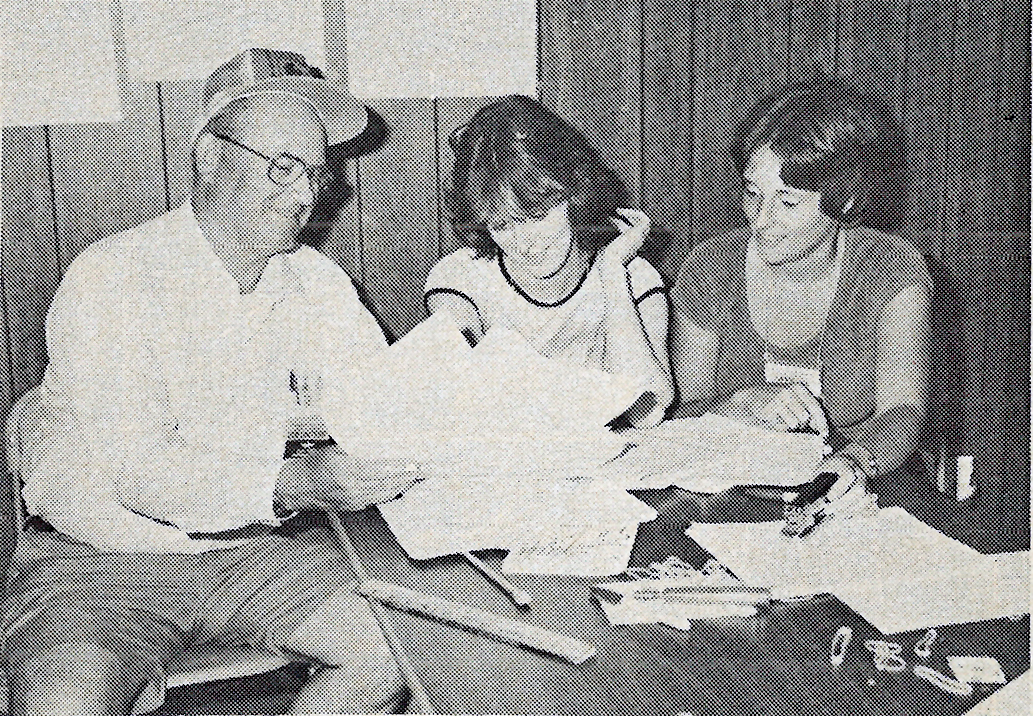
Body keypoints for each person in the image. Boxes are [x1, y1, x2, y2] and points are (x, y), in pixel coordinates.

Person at [1, 49, 418, 715]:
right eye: (283, 167)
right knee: (59, 703)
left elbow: (387, 408)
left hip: (254, 554)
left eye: (316, 173)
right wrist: (297, 483)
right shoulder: (114, 276)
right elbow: (139, 472)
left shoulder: (318, 284)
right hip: (99, 559)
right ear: (209, 157)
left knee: (405, 650)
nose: (306, 194)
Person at [669, 76, 931, 511]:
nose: (762, 219)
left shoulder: (891, 267)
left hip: (860, 483)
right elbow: (679, 411)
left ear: (845, 201)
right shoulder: (710, 265)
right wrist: (734, 405)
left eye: (788, 202)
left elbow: (903, 409)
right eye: (754, 195)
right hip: (726, 491)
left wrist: (852, 463)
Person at [425, 95, 673, 427]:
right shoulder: (462, 278)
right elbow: (465, 404)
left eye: (538, 216)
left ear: (575, 194)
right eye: (501, 226)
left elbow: (648, 412)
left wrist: (612, 272)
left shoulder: (632, 276)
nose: (526, 244)